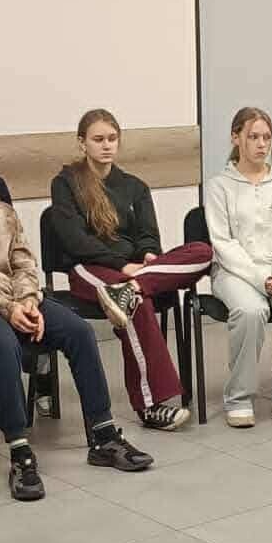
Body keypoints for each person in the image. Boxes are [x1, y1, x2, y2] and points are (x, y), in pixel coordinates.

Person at [0, 126, 153, 502]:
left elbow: (24, 262)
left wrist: (28, 300)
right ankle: (20, 451)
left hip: (15, 299)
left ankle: (104, 435)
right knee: (2, 342)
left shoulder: (4, 213)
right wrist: (7, 308)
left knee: (78, 331)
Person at [46, 109, 210, 431]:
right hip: (90, 268)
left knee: (203, 252)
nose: (106, 145)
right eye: (98, 139)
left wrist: (148, 256)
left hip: (134, 271)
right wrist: (123, 265)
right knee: (136, 303)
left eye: (112, 138)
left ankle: (134, 286)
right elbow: (75, 241)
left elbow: (149, 235)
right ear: (82, 143)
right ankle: (150, 407)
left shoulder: (135, 186)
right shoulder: (65, 183)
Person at [201, 107, 272, 428]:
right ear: (236, 138)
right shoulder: (219, 186)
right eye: (253, 136)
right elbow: (222, 243)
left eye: (267, 137)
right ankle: (239, 397)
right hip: (233, 271)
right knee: (251, 311)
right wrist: (260, 277)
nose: (261, 144)